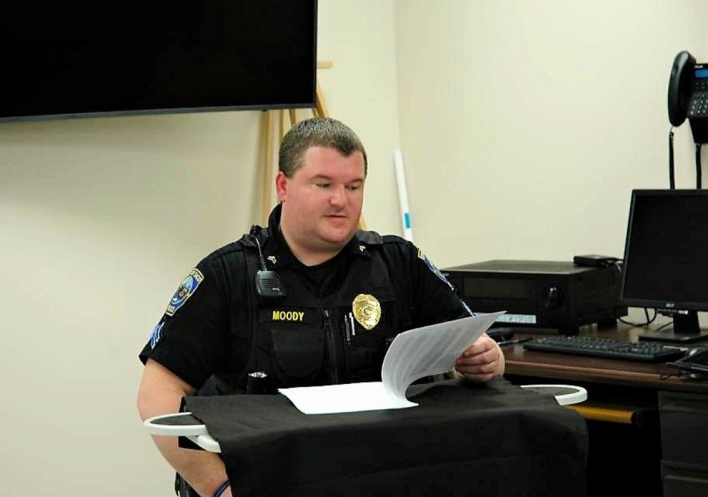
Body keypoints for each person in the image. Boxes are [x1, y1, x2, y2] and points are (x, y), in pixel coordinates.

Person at [136, 117, 505, 497]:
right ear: (283, 186)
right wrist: (219, 488)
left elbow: (476, 346)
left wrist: (486, 360)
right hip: (262, 480)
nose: (340, 200)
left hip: (378, 477)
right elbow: (156, 397)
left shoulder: (399, 263)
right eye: (323, 184)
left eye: (353, 186)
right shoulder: (228, 274)